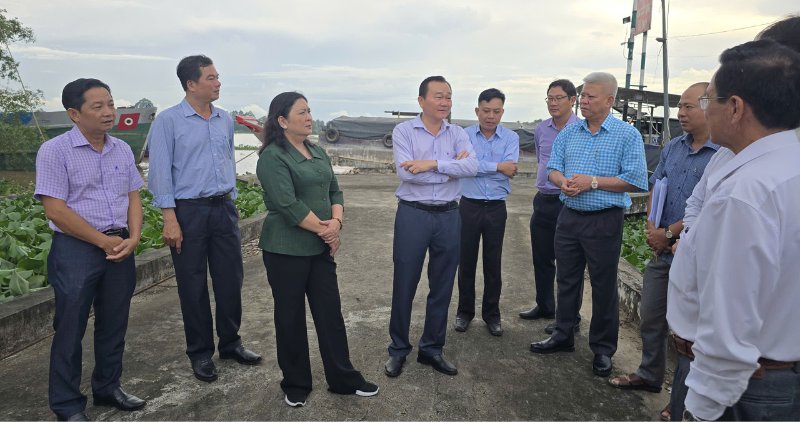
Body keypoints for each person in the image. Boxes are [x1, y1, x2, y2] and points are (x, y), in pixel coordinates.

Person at [665, 16, 800, 421]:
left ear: (736, 107)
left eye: (710, 100)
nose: (704, 111)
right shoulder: (782, 164)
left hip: (739, 391)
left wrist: (700, 409)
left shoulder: (746, 193)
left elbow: (730, 322)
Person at [256, 92, 378, 407]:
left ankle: (343, 378)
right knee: (290, 317)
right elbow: (287, 204)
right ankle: (296, 383)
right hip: (285, 249)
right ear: (282, 121)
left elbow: (334, 190)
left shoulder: (317, 151)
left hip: (319, 248)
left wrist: (336, 223)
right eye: (302, 112)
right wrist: (327, 231)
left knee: (330, 314)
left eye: (309, 111)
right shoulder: (272, 156)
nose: (309, 117)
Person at [35, 78, 146, 421]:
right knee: (70, 326)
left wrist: (135, 237)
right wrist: (102, 241)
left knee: (114, 322)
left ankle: (108, 386)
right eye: (98, 107)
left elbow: (133, 197)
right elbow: (56, 211)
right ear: (74, 113)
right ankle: (68, 405)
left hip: (120, 246)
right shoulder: (54, 151)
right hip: (76, 250)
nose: (109, 112)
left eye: (111, 104)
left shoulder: (122, 149)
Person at [148, 55, 260, 383]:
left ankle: (231, 342)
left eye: (218, 76)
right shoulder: (168, 121)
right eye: (211, 78)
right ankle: (199, 353)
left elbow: (226, 161)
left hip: (223, 208)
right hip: (188, 211)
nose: (218, 82)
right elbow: (159, 173)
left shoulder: (224, 119)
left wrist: (232, 201)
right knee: (192, 284)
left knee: (230, 279)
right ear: (191, 84)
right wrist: (170, 218)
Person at [529, 72, 648, 380]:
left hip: (604, 220)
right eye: (583, 96)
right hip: (568, 216)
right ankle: (563, 334)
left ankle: (603, 349)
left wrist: (592, 183)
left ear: (610, 100)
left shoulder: (626, 135)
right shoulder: (570, 132)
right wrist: (562, 182)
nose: (584, 101)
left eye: (591, 96)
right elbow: (554, 167)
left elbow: (635, 179)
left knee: (603, 284)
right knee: (566, 279)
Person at [607, 83, 719, 405]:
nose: (681, 113)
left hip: (691, 254)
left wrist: (669, 233)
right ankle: (650, 374)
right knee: (651, 317)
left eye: (688, 107)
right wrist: (652, 225)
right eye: (679, 107)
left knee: (687, 335)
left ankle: (680, 401)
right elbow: (658, 185)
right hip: (662, 252)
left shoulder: (721, 156)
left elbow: (708, 205)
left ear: (709, 107)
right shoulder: (673, 147)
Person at [385, 76, 478, 378]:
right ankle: (398, 349)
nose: (445, 102)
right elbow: (407, 173)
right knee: (405, 284)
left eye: (449, 96)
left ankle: (432, 349)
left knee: (442, 285)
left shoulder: (459, 133)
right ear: (421, 100)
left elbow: (472, 168)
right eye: (438, 96)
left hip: (450, 215)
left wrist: (431, 163)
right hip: (413, 215)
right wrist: (450, 165)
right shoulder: (403, 131)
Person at [454, 88, 519, 337]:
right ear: (476, 111)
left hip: (495, 208)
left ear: (502, 112)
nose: (490, 116)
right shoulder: (463, 135)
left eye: (496, 111)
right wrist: (496, 166)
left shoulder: (510, 138)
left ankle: (492, 315)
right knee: (466, 261)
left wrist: (478, 166)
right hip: (468, 205)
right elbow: (463, 167)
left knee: (493, 263)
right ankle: (464, 312)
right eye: (486, 111)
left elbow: (510, 168)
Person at [519, 79, 581, 338]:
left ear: (572, 100)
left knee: (569, 263)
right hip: (543, 198)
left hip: (569, 202)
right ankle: (545, 305)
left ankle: (569, 317)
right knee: (541, 257)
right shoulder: (541, 129)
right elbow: (542, 160)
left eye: (558, 98)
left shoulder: (581, 129)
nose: (553, 103)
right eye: (549, 98)